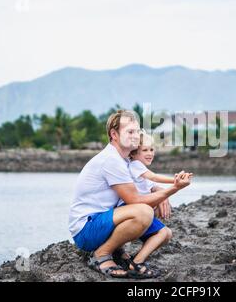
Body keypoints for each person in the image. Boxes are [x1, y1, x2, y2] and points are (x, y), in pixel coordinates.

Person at [68, 110, 192, 278]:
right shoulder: (111, 160)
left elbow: (145, 179)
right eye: (130, 132)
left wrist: (161, 191)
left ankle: (118, 252)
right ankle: (101, 255)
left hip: (99, 222)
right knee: (144, 211)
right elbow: (135, 200)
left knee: (153, 213)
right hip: (86, 230)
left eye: (137, 131)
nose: (136, 136)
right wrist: (175, 188)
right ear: (114, 134)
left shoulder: (124, 159)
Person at [115, 131, 193, 271]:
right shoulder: (135, 165)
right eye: (145, 150)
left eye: (152, 149)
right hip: (132, 210)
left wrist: (164, 197)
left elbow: (154, 186)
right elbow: (155, 177)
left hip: (136, 210)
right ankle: (137, 262)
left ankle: (133, 255)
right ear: (132, 153)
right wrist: (176, 181)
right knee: (164, 233)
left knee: (162, 227)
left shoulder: (139, 170)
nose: (150, 153)